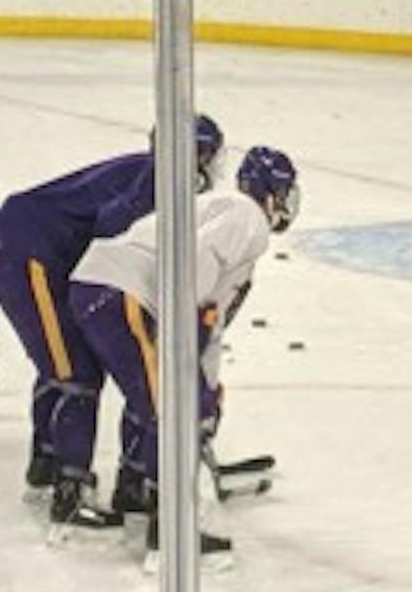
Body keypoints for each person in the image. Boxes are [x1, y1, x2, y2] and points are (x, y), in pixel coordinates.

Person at [54, 147, 301, 564]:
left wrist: (205, 382)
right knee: (172, 409)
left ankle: (136, 489)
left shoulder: (229, 212)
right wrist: (186, 339)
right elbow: (193, 264)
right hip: (122, 291)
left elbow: (210, 318)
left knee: (156, 398)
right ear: (274, 194)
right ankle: (173, 532)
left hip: (102, 287)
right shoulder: (248, 218)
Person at [0, 116, 225, 503]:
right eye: (208, 157)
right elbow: (110, 224)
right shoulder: (159, 179)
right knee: (75, 373)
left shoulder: (153, 174)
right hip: (28, 251)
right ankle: (70, 492)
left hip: (28, 247)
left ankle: (47, 465)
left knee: (63, 364)